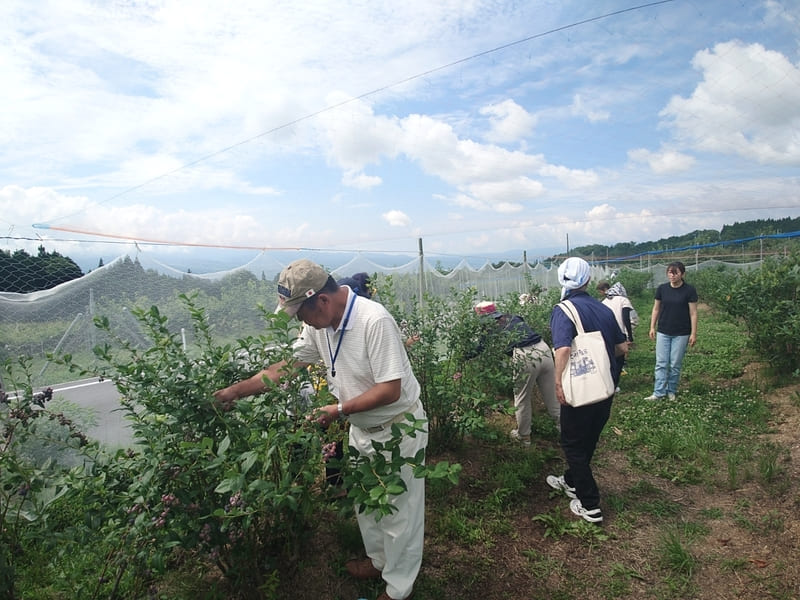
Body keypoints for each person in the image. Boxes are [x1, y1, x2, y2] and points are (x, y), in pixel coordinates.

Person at [214, 259, 425, 600]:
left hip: (398, 428)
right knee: (367, 502)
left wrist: (339, 409)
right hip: (362, 427)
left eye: (301, 313)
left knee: (401, 512)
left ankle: (399, 588)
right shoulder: (320, 326)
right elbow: (287, 366)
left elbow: (390, 389)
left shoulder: (374, 321)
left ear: (322, 301)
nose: (300, 321)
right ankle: (379, 560)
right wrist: (238, 390)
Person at [546, 257, 628, 523]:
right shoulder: (603, 309)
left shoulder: (564, 310)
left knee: (572, 444)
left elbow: (563, 350)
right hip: (604, 388)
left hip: (580, 389)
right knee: (588, 439)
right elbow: (621, 348)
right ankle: (571, 480)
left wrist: (559, 382)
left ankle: (590, 503)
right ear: (589, 280)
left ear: (562, 281)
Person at [472, 301, 559, 445]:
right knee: (552, 395)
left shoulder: (488, 327)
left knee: (522, 398)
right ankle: (565, 430)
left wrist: (464, 355)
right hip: (543, 349)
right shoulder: (512, 317)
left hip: (524, 355)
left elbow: (479, 348)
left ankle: (523, 437)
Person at [645, 261, 698, 401]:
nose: (672, 276)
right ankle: (658, 392)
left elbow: (693, 313)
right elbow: (656, 309)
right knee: (661, 362)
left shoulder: (689, 290)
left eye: (675, 273)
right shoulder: (662, 289)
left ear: (682, 274)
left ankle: (671, 390)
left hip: (681, 332)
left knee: (675, 364)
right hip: (663, 330)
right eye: (670, 272)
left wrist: (693, 333)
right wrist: (652, 327)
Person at [596, 280, 636, 387]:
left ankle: (607, 383)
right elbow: (626, 318)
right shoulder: (623, 300)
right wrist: (630, 337)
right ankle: (614, 384)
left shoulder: (604, 302)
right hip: (619, 333)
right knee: (619, 360)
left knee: (608, 359)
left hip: (604, 333)